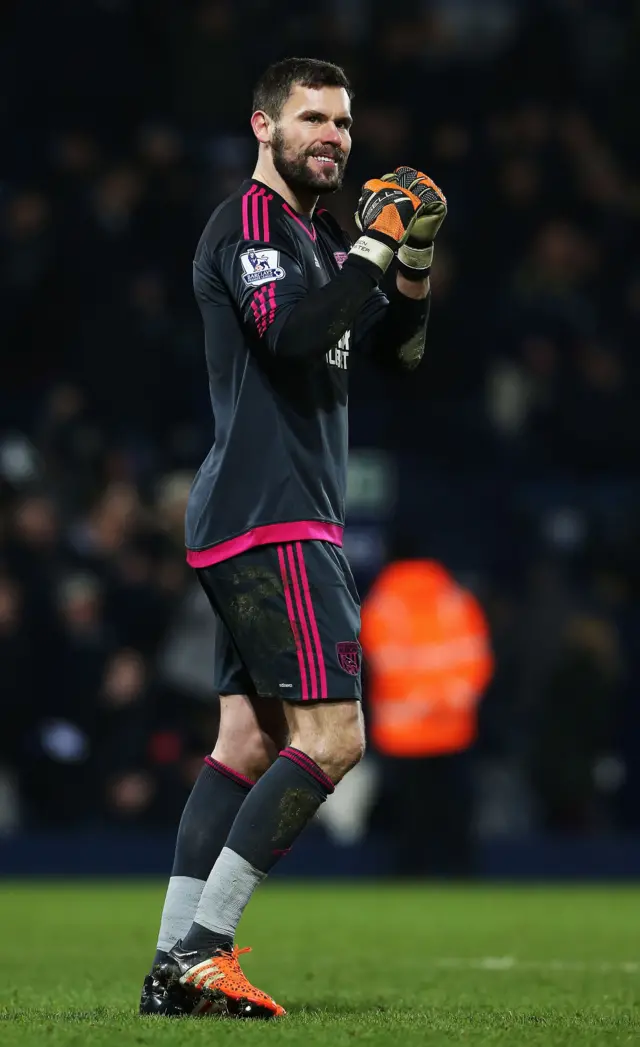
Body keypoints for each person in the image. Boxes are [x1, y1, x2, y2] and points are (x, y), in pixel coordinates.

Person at [139, 56, 447, 1020]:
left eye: (346, 124)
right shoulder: (255, 224)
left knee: (248, 737)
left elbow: (399, 354)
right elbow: (291, 338)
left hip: (261, 512)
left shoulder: (318, 240)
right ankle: (204, 951)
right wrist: (370, 251)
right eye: (313, 118)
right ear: (264, 128)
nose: (335, 137)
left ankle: (168, 967)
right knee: (335, 735)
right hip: (271, 514)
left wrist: (413, 259)